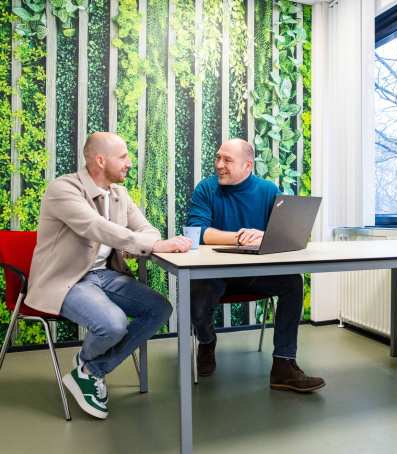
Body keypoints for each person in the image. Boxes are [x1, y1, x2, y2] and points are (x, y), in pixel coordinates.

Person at [25, 132, 192, 419]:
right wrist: (144, 244)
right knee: (113, 325)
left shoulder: (119, 194)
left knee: (159, 309)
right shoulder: (63, 189)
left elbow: (147, 230)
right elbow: (95, 227)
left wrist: (143, 242)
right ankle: (90, 369)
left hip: (104, 276)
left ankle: (90, 368)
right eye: (123, 156)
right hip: (67, 279)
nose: (129, 163)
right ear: (101, 160)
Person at [187, 138, 325, 392]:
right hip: (214, 274)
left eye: (227, 160)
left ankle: (284, 365)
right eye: (218, 158)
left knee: (293, 282)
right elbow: (197, 232)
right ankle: (206, 341)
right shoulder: (205, 189)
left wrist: (263, 235)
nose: (219, 165)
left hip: (254, 273)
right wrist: (239, 236)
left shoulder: (268, 190)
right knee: (197, 292)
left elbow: (283, 233)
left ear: (248, 164)